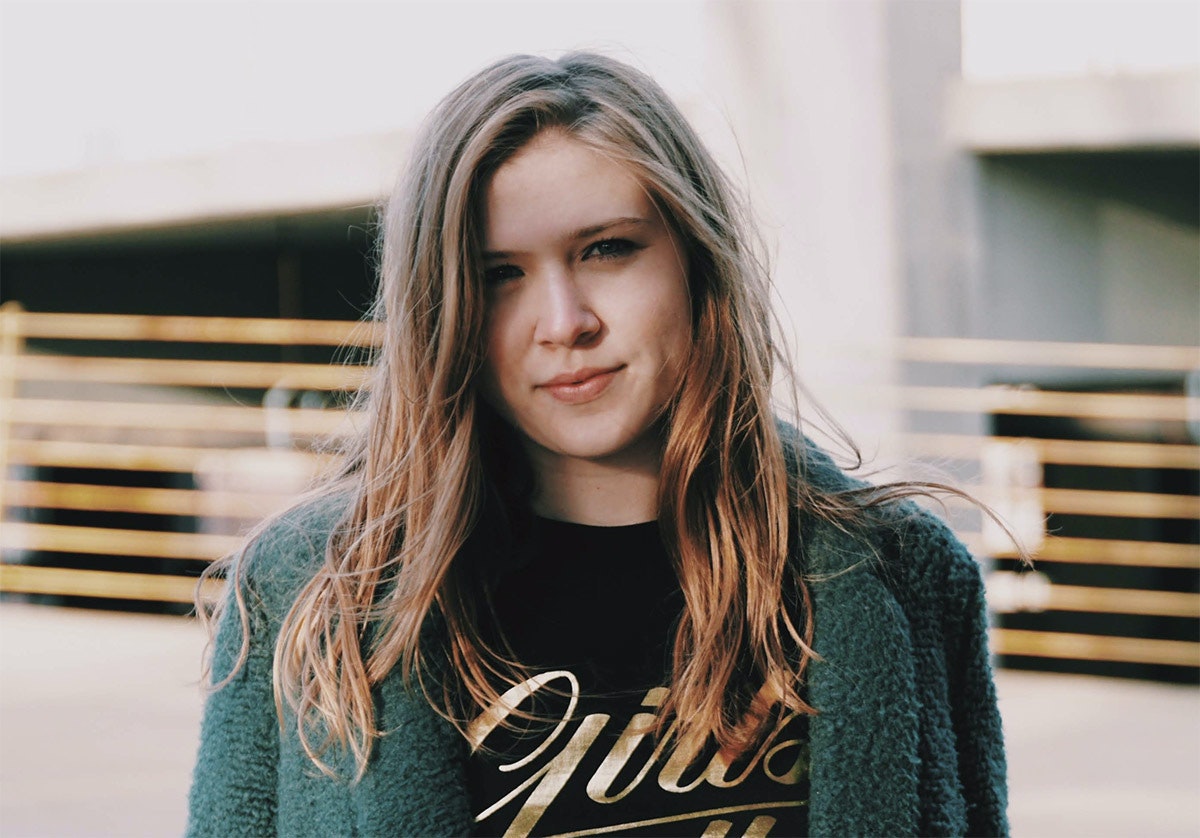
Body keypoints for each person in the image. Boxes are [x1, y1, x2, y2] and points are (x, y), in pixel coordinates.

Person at [187, 52, 1007, 838]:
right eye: (499, 274)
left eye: (607, 249)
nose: (565, 322)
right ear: (441, 309)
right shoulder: (312, 594)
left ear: (696, 258)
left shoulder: (900, 575)